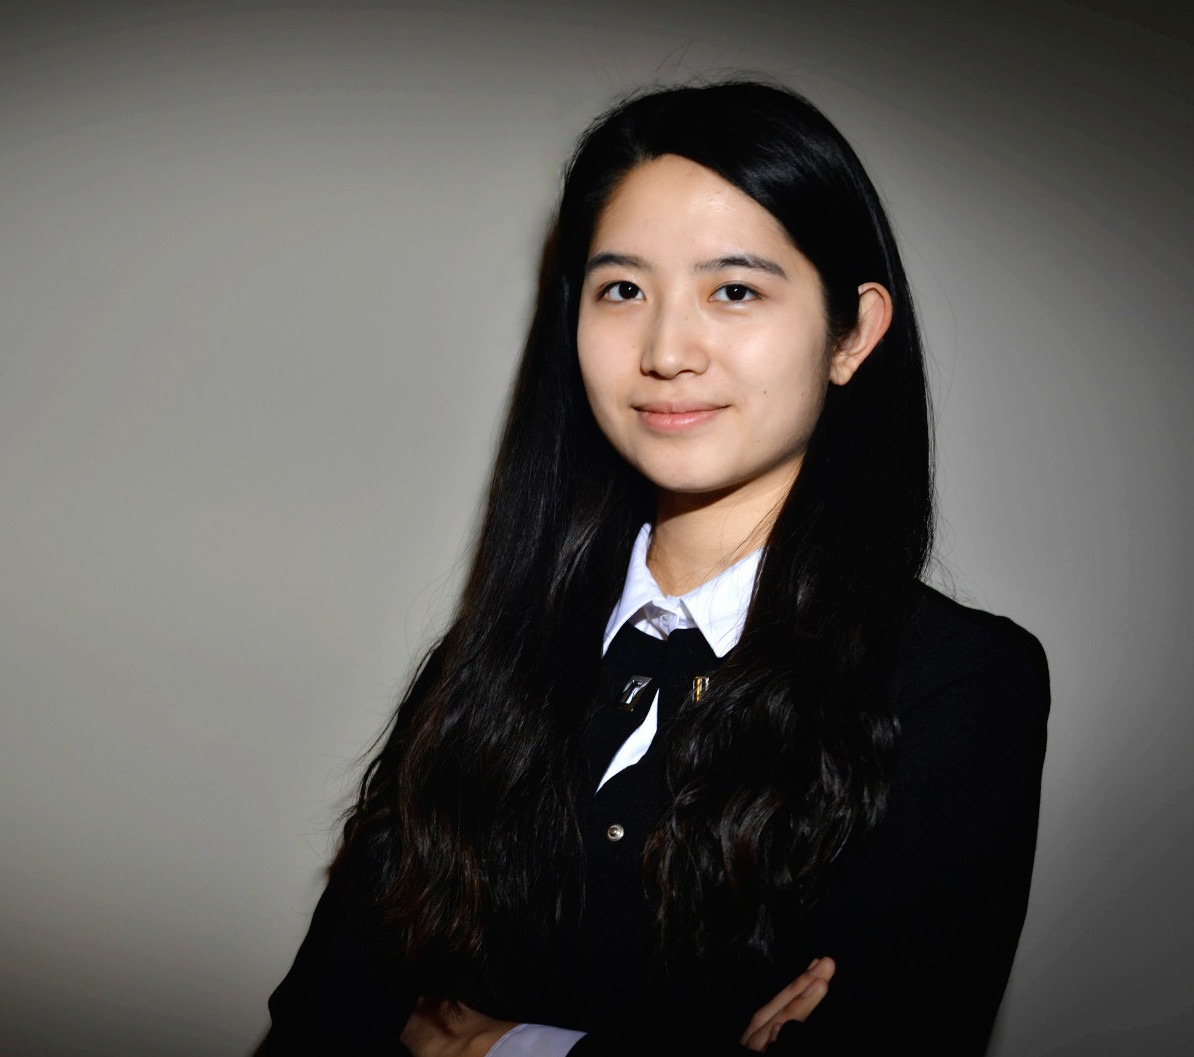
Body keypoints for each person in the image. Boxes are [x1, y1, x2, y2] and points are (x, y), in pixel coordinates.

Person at [259, 81, 1049, 1055]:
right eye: (623, 290)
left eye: (735, 290)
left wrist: (502, 1045)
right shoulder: (488, 659)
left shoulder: (959, 683)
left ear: (852, 333)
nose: (667, 350)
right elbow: (318, 1022)